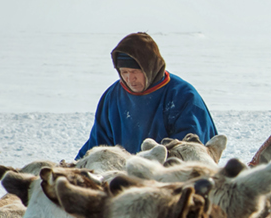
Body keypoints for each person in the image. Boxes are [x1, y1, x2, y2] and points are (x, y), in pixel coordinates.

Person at [76, 32, 218, 159]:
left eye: (135, 72)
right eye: (124, 72)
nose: (130, 79)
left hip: (171, 174)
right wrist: (77, 167)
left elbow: (192, 150)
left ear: (150, 68)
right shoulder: (113, 96)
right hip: (124, 175)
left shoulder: (182, 95)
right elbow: (98, 143)